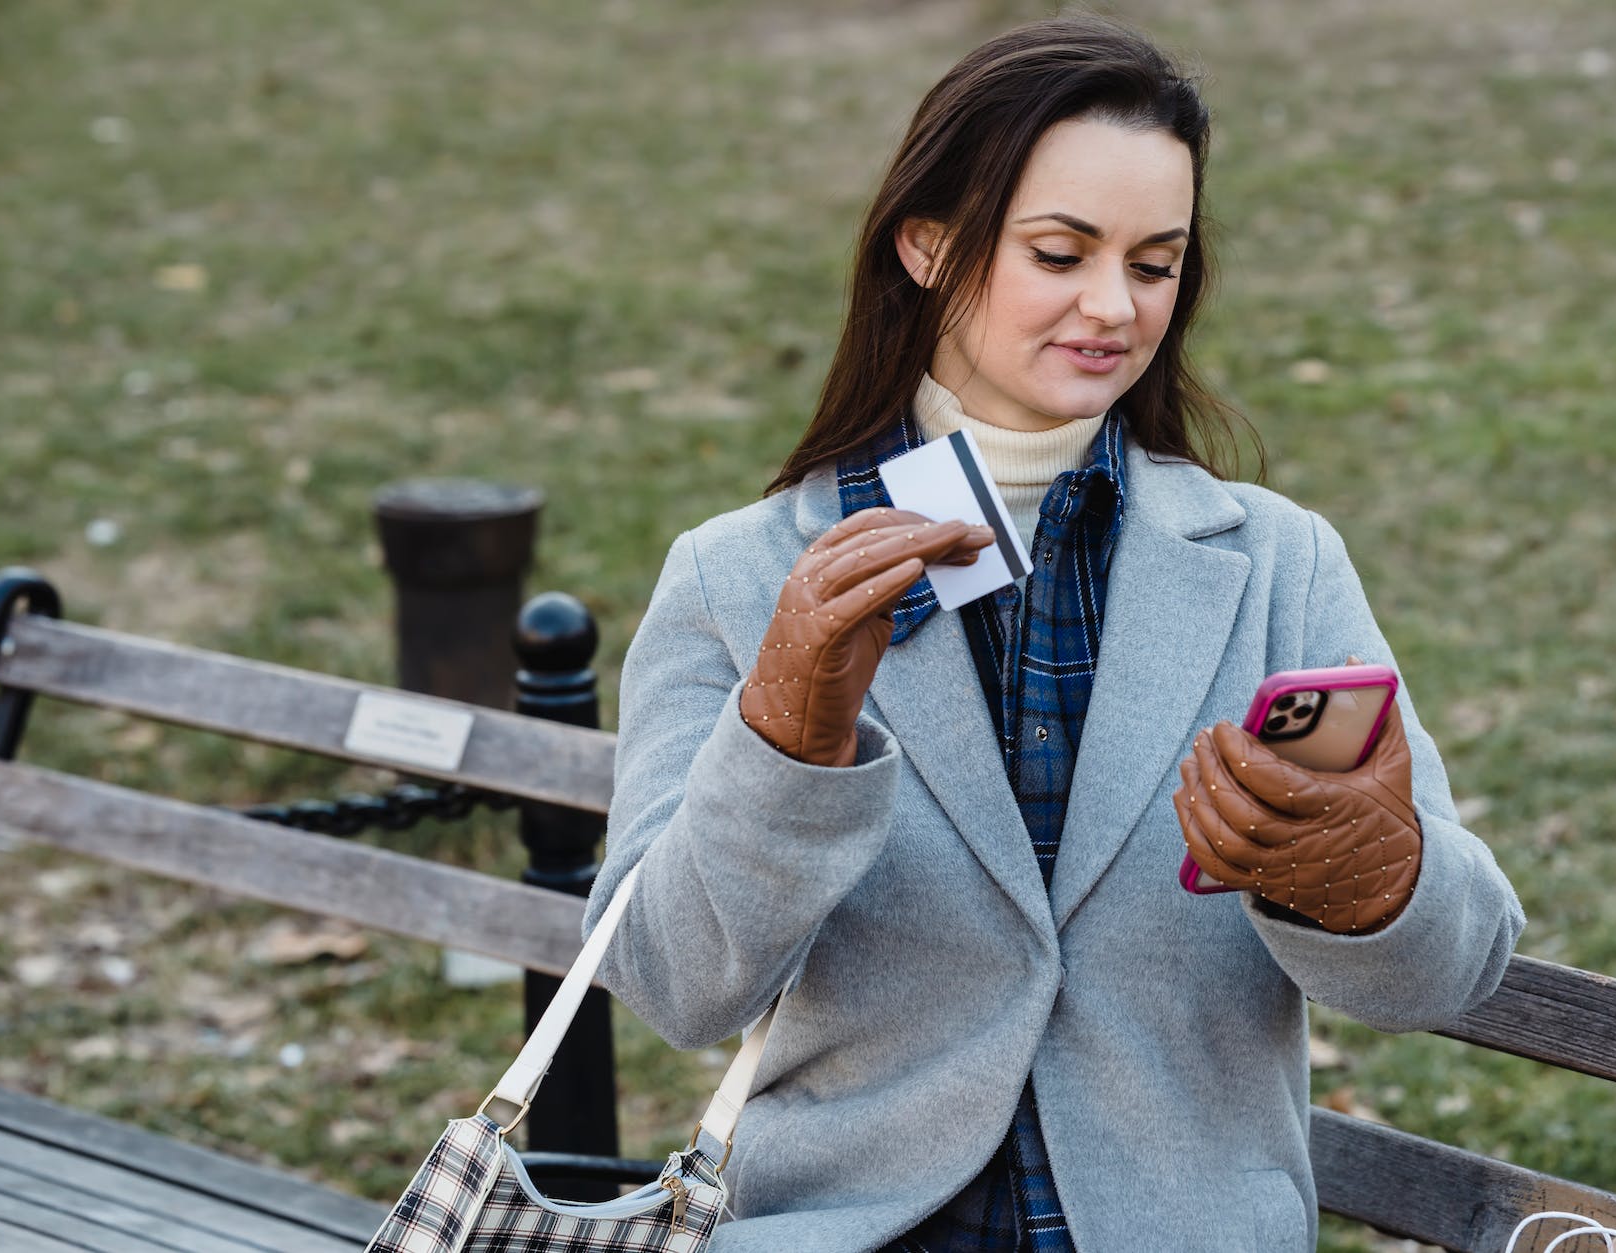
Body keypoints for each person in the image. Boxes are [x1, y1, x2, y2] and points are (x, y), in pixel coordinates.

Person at [585, 14, 1523, 1252]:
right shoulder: (738, 574)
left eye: (1152, 262)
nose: (1110, 306)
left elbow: (1448, 971)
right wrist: (783, 741)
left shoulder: (1272, 562)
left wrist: (1370, 878)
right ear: (925, 245)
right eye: (1058, 250)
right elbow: (671, 984)